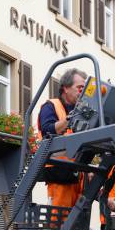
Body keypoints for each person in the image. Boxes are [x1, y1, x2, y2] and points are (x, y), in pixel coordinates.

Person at [37, 68, 87, 208]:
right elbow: (48, 130)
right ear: (65, 88)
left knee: (78, 225)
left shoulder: (81, 112)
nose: (82, 92)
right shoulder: (50, 106)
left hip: (77, 175)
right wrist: (69, 119)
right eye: (79, 88)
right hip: (59, 174)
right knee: (57, 223)